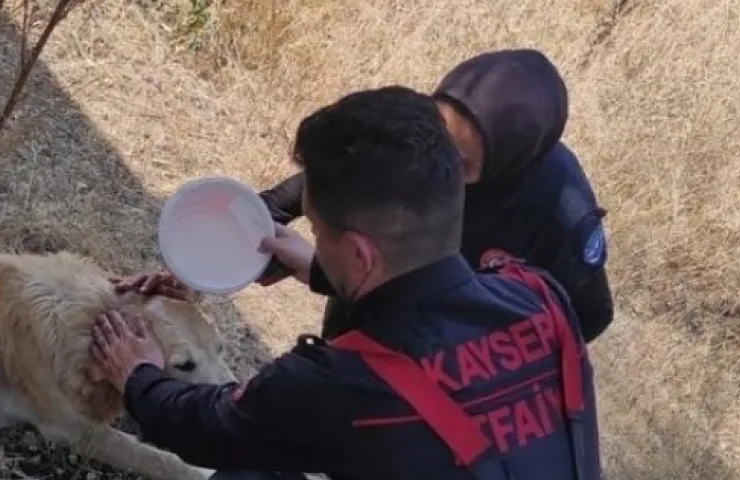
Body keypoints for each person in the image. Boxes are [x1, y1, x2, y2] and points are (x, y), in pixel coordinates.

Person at [91, 85, 622, 480]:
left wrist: (138, 375)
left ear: (362, 255)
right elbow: (424, 298)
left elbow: (203, 427)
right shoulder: (541, 298)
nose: (313, 239)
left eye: (318, 231)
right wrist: (321, 269)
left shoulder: (344, 384)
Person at [252, 48, 614, 344]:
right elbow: (348, 173)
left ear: (509, 163)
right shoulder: (429, 135)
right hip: (363, 314)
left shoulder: (559, 210)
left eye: (460, 163)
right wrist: (256, 218)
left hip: (443, 361)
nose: (431, 163)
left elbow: (590, 315)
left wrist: (480, 348)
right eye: (435, 137)